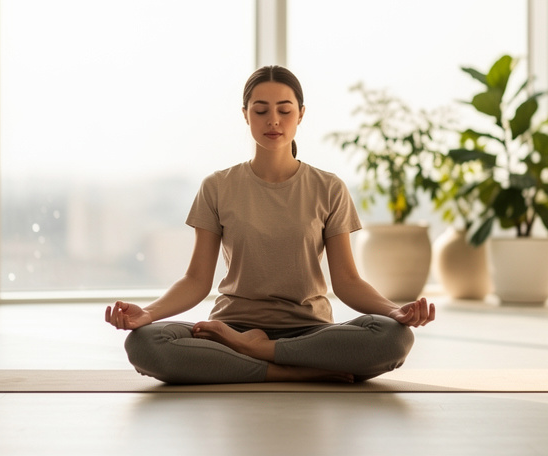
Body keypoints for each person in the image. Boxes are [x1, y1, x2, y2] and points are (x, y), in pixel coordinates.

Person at [105, 65, 435, 384]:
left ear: (301, 114)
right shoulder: (217, 187)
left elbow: (348, 281)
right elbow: (196, 280)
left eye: (285, 110)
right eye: (260, 110)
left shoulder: (329, 187)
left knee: (393, 339)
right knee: (145, 343)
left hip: (311, 332)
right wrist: (147, 315)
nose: (273, 120)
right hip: (231, 330)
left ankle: (260, 353)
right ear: (245, 114)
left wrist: (395, 313)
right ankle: (286, 370)